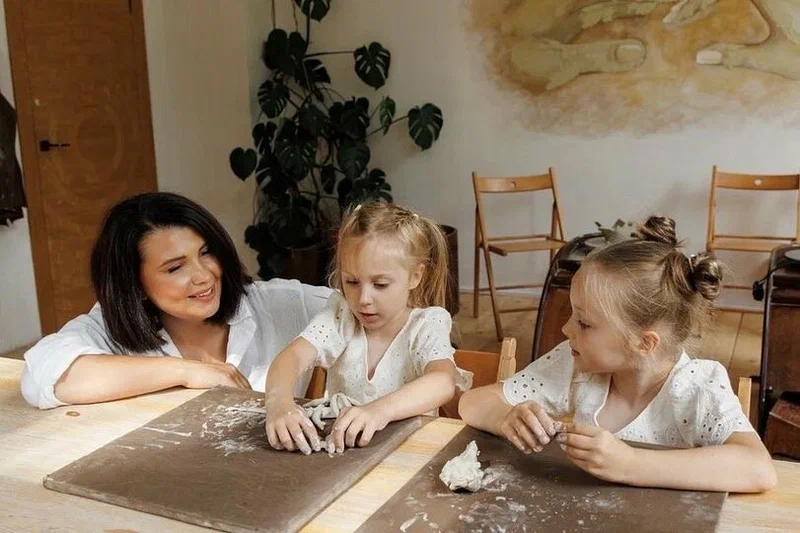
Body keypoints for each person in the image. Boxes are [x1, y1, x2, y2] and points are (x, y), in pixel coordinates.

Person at [459, 216, 777, 493]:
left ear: (644, 343)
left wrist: (630, 463)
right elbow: (471, 402)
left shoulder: (696, 387)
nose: (566, 329)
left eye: (584, 323)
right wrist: (505, 417)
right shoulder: (576, 364)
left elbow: (758, 469)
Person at [21, 192, 331, 409]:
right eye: (175, 268)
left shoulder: (280, 303)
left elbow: (357, 305)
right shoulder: (110, 325)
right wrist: (186, 371)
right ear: (135, 284)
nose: (204, 276)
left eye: (206, 253)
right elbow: (42, 377)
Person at [264, 202, 472, 455]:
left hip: (411, 455)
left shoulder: (427, 324)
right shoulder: (341, 314)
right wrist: (279, 404)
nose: (363, 299)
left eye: (380, 284)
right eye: (352, 281)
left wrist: (379, 410)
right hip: (345, 456)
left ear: (415, 276)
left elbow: (442, 382)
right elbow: (291, 357)